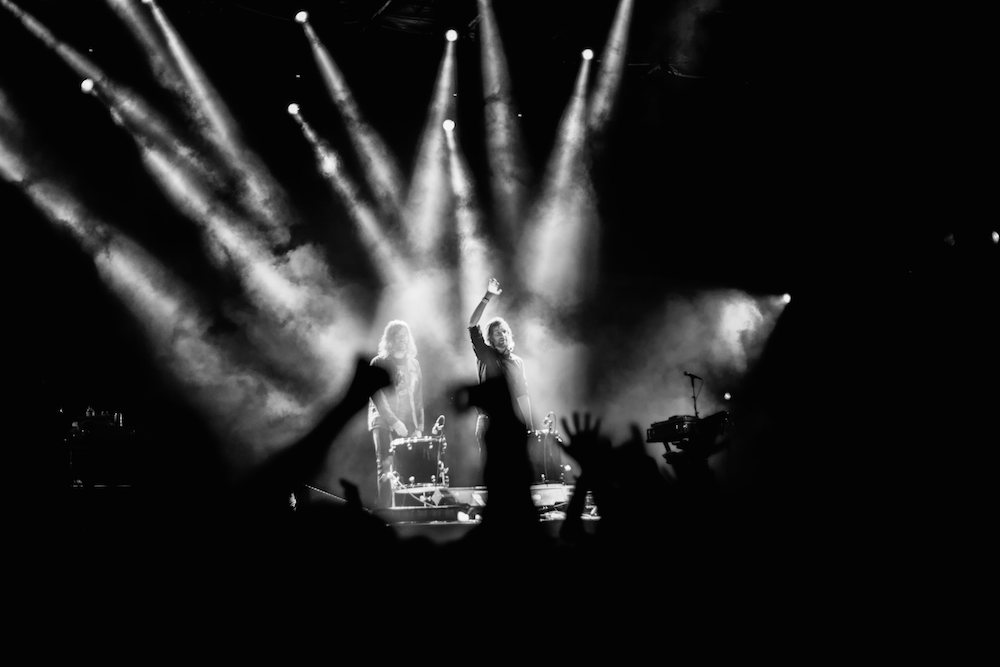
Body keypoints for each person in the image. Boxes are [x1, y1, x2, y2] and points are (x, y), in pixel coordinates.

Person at [468, 279, 533, 472]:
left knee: (515, 470)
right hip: (489, 421)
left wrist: (529, 425)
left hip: (512, 423)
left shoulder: (517, 362)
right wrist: (487, 297)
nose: (502, 335)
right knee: (494, 471)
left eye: (505, 331)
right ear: (490, 338)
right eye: (497, 333)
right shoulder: (485, 354)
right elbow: (472, 324)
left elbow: (523, 395)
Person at [368, 320, 425, 508]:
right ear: (390, 340)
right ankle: (386, 513)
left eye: (405, 336)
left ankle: (404, 511)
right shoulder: (378, 363)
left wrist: (419, 427)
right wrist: (394, 422)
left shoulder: (414, 365)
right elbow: (377, 396)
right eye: (398, 336)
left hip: (407, 422)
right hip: (383, 422)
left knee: (404, 468)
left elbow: (418, 399)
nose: (403, 340)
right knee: (386, 467)